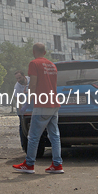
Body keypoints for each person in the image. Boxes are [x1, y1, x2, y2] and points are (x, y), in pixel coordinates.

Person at [13, 43, 64, 174]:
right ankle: (57, 164)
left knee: (33, 136)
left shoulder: (34, 63)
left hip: (42, 104)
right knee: (54, 136)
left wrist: (27, 103)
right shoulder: (52, 65)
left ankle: (29, 164)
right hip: (54, 103)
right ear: (45, 52)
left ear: (33, 51)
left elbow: (33, 84)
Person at [12, 70, 29, 149]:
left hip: (32, 106)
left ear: (24, 76)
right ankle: (24, 145)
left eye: (20, 78)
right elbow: (19, 100)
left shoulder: (30, 80)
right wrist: (21, 111)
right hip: (22, 106)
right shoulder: (17, 86)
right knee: (22, 126)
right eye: (17, 79)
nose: (18, 80)